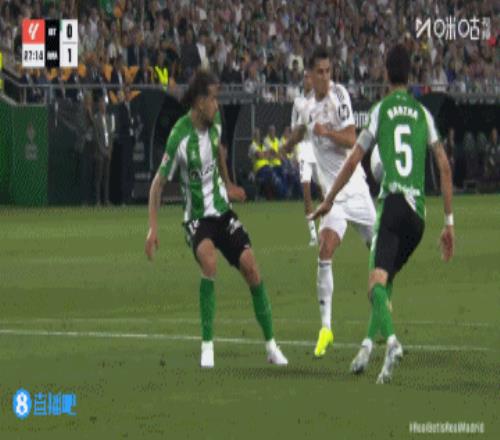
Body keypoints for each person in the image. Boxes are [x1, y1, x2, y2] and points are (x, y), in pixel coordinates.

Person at [310, 44, 454, 384]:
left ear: (386, 73)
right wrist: (449, 223)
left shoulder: (381, 110)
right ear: (411, 75)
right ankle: (366, 348)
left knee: (374, 284)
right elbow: (444, 167)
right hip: (418, 217)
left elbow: (353, 160)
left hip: (392, 206)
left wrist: (329, 198)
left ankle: (391, 342)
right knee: (384, 283)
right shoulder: (423, 114)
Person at [145, 70, 288, 368]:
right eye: (213, 99)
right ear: (199, 102)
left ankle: (271, 346)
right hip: (197, 218)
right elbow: (157, 184)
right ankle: (207, 347)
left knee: (251, 267)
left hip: (222, 210)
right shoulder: (179, 136)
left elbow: (220, 150)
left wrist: (229, 183)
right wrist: (153, 229)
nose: (217, 104)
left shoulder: (216, 122)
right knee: (209, 262)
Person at [283, 46, 376, 358]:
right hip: (333, 197)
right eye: (319, 72)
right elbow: (302, 130)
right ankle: (326, 328)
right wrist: (284, 147)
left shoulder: (340, 96)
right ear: (310, 75)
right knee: (324, 250)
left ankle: (383, 310)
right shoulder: (307, 107)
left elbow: (351, 138)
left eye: (328, 71)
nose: (325, 77)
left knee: (378, 251)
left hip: (355, 188)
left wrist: (327, 132)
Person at [290, 70, 320, 245]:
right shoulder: (297, 102)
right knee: (306, 192)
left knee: (324, 192)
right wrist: (295, 150)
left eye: (309, 77)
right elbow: (294, 127)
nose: (307, 80)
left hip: (318, 150)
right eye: (305, 77)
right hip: (304, 149)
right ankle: (313, 236)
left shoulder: (319, 99)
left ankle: (326, 228)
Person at [94, 96, 115, 206]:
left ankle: (106, 200)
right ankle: (98, 200)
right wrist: (102, 150)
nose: (104, 106)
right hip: (100, 152)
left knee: (106, 177)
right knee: (99, 177)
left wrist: (110, 149)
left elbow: (111, 135)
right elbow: (96, 137)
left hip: (108, 150)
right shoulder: (96, 118)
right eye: (102, 104)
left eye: (105, 104)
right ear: (99, 105)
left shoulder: (109, 118)